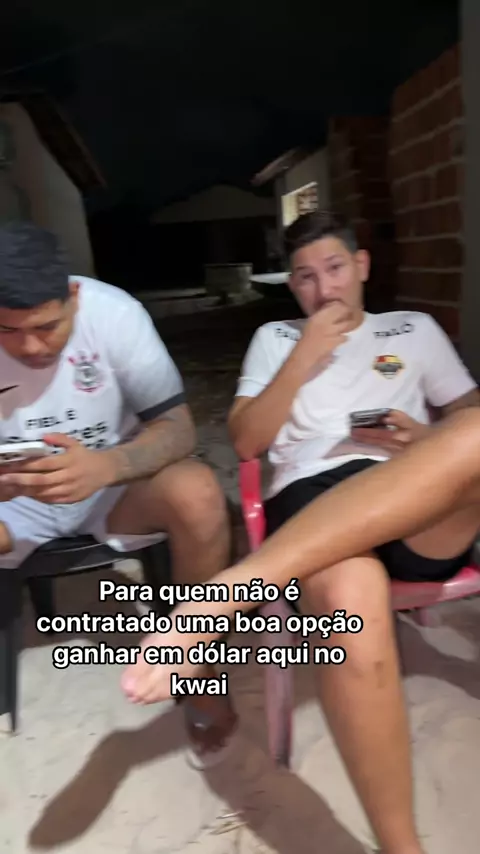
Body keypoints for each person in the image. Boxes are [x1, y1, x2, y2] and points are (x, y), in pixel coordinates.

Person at [122, 211, 480, 854]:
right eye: (305, 277)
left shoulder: (413, 329)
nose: (324, 288)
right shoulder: (275, 338)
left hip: (411, 490)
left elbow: (465, 415)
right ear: (292, 285)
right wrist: (304, 356)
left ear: (362, 265)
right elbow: (246, 442)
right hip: (312, 495)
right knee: (348, 595)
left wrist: (426, 438)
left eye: (335, 268)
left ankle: (224, 593)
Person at [0, 221, 237, 767]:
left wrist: (107, 466)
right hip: (13, 500)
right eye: (8, 330)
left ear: (74, 296)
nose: (31, 346)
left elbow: (177, 428)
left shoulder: (114, 314)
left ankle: (199, 675)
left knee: (198, 493)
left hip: (114, 486)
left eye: (47, 326)